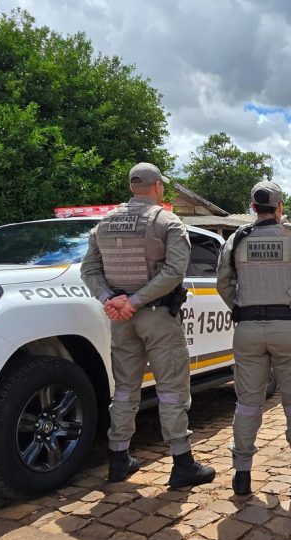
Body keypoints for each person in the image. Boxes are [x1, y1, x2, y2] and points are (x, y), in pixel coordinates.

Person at [80, 162, 216, 489]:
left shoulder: (105, 224)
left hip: (121, 320)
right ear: (158, 187)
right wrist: (136, 300)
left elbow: (89, 270)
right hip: (156, 316)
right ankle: (182, 464)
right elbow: (174, 272)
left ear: (132, 187)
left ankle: (118, 458)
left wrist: (111, 299)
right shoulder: (167, 222)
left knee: (125, 389)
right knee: (171, 390)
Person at [216, 180, 291, 498]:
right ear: (280, 207)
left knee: (248, 404)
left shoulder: (236, 239)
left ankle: (242, 475)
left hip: (247, 330)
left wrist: (242, 305)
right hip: (290, 328)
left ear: (253, 208)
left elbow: (223, 284)